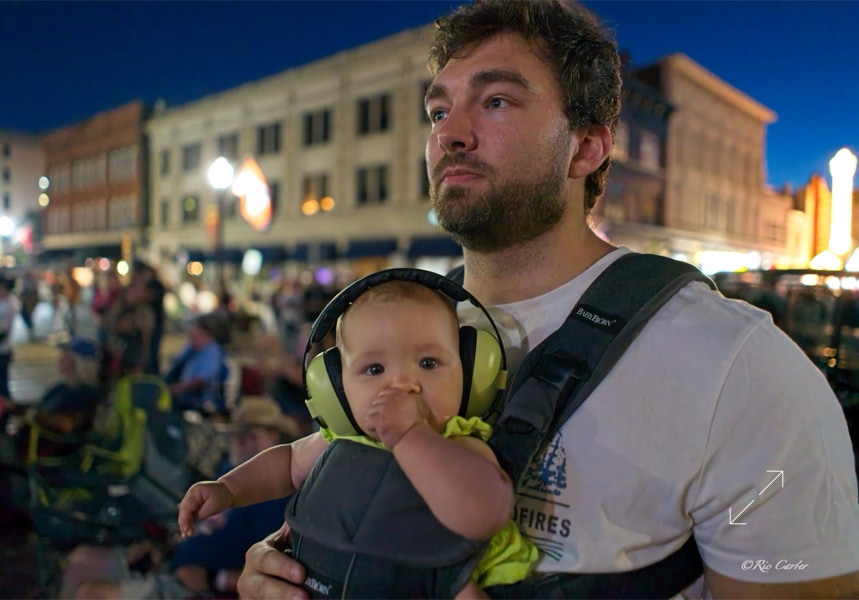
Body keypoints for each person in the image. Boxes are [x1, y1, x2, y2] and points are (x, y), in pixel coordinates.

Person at [236, 1, 859, 599]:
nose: (450, 134)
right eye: (438, 111)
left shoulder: (738, 368)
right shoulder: (391, 327)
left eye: (496, 101)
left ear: (586, 148)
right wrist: (299, 565)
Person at [179, 279, 537, 598]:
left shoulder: (459, 445)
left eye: (428, 363)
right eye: (374, 369)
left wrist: (410, 436)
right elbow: (286, 463)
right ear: (338, 390)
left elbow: (483, 515)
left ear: (469, 372)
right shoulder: (342, 440)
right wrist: (228, 489)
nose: (403, 384)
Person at [59, 396, 299, 599]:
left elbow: (278, 574)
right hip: (172, 561)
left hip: (197, 587)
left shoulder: (279, 497)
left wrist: (215, 577)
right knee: (82, 559)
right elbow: (202, 525)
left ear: (274, 437)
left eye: (250, 436)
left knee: (92, 594)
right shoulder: (230, 472)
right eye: (235, 435)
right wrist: (162, 546)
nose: (239, 442)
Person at [164, 313, 229, 414]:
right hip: (181, 396)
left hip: (199, 403)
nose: (192, 337)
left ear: (207, 335)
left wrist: (177, 388)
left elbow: (201, 381)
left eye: (196, 333)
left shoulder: (212, 352)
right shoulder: (192, 347)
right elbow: (175, 365)